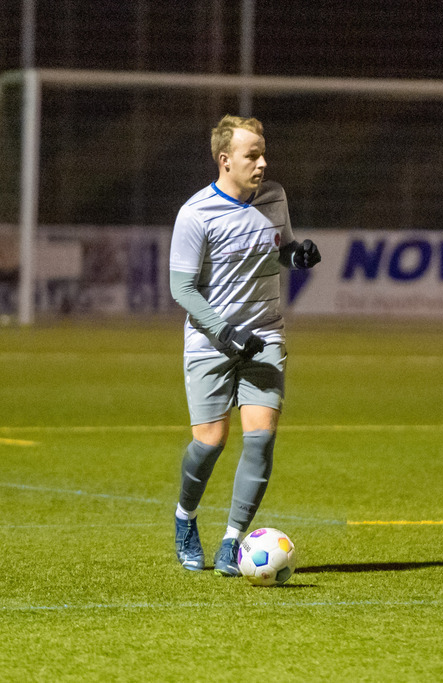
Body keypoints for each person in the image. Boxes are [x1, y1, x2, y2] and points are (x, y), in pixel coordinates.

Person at [169, 114, 321, 576]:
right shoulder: (196, 213)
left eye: (262, 153)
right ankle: (185, 518)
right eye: (252, 155)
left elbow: (278, 248)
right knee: (210, 443)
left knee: (260, 439)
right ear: (225, 159)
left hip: (265, 336)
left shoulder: (274, 197)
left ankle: (231, 542)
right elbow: (183, 289)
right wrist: (223, 331)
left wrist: (297, 256)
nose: (262, 162)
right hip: (211, 341)